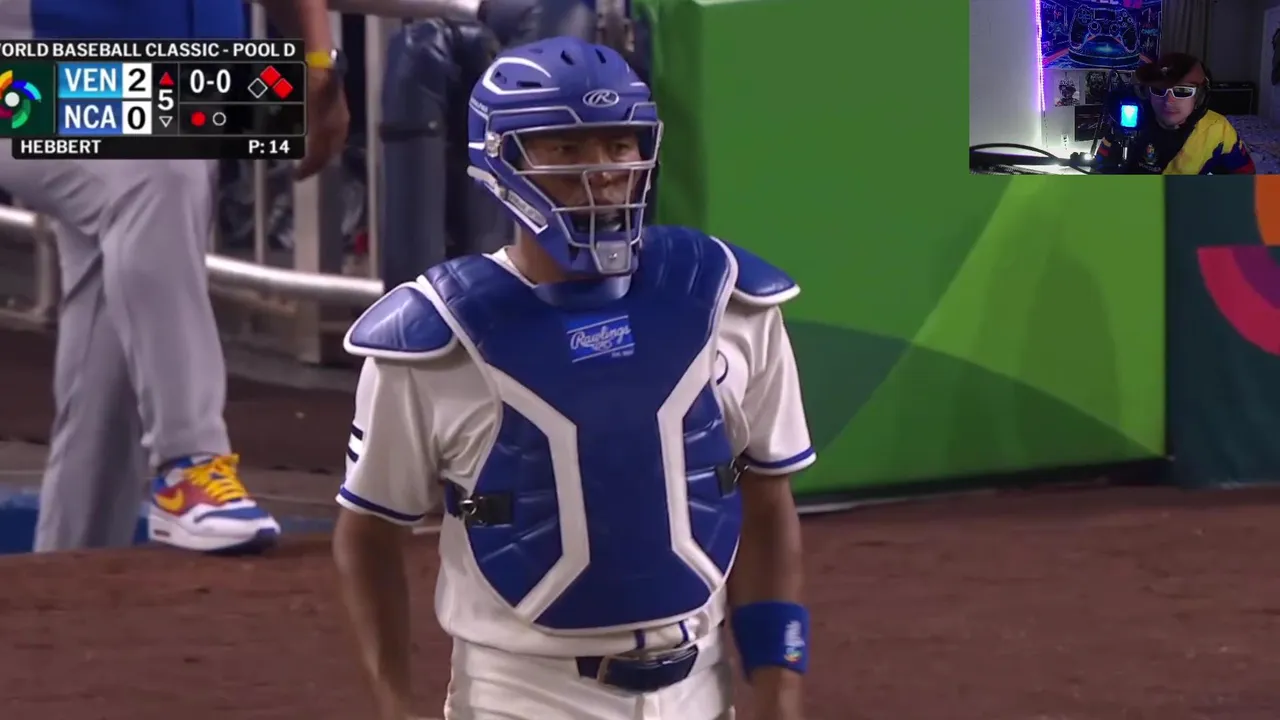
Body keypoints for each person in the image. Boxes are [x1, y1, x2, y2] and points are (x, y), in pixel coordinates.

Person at [333, 36, 815, 720]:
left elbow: (766, 500)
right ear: (501, 161)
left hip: (701, 690)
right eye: (566, 149)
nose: (603, 172)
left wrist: (779, 685)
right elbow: (369, 533)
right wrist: (393, 705)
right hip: (524, 697)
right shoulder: (432, 337)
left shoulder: (731, 304)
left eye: (619, 145)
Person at [0, 0, 350, 554]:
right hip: (28, 76)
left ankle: (70, 563)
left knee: (116, 345)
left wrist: (318, 62)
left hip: (197, 87)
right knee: (157, 170)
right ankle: (191, 463)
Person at [1095, 52, 1255, 174]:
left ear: (1199, 97)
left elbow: (1246, 178)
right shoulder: (1131, 118)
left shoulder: (1218, 129)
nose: (1168, 101)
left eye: (1182, 91)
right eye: (1159, 90)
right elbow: (1100, 166)